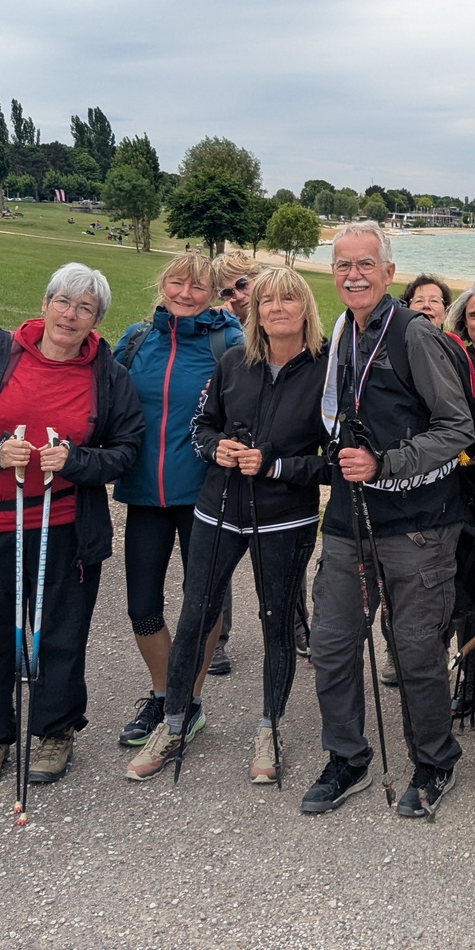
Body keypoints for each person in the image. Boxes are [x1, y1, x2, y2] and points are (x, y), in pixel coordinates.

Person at [0, 263, 143, 785]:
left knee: (60, 633)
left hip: (67, 525)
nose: (70, 315)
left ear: (96, 319)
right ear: (46, 304)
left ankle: (55, 730)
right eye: (63, 302)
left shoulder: (108, 376)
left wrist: (76, 460)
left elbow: (125, 451)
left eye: (85, 308)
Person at [125, 268, 330, 785]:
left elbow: (336, 460)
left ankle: (269, 728)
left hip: (286, 515)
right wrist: (216, 448)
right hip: (218, 506)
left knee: (275, 620)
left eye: (288, 299)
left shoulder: (328, 371)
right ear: (255, 311)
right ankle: (175, 722)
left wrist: (276, 465)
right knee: (195, 613)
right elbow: (201, 426)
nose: (276, 308)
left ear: (305, 307)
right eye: (266, 301)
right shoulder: (234, 361)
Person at [300, 222, 475, 818]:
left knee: (415, 650)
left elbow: (457, 428)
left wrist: (386, 462)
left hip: (418, 521)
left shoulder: (415, 335)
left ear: (389, 272)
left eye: (365, 264)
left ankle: (434, 760)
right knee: (332, 643)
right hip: (350, 518)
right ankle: (347, 757)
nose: (353, 275)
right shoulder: (342, 332)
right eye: (343, 264)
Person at [110, 255, 243, 748]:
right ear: (162, 285)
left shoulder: (228, 343)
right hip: (145, 492)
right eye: (177, 283)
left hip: (205, 495)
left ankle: (187, 701)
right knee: (142, 605)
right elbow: (104, 401)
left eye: (198, 286)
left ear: (214, 294)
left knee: (201, 603)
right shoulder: (137, 339)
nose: (185, 294)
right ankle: (164, 693)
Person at [209, 251, 263, 672]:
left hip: (273, 456)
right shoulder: (220, 333)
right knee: (218, 553)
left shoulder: (289, 321)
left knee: (278, 550)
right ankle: (218, 638)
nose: (237, 296)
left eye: (242, 285)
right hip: (228, 456)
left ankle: (295, 627)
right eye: (226, 292)